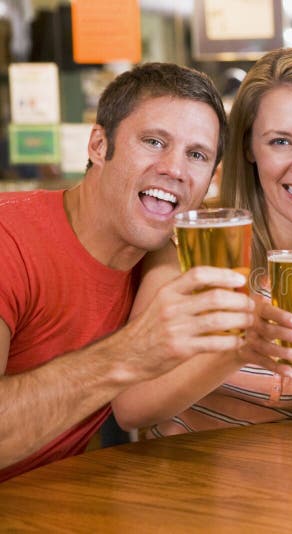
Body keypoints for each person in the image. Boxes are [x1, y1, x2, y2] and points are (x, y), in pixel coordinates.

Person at [0, 63, 256, 481]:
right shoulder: (9, 239)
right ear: (99, 145)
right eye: (154, 141)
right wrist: (130, 352)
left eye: (196, 155)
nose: (174, 169)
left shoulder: (167, 261)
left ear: (210, 181)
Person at [112, 46, 292, 436]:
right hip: (184, 486)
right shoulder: (198, 241)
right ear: (249, 147)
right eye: (280, 141)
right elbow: (130, 409)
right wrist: (237, 351)